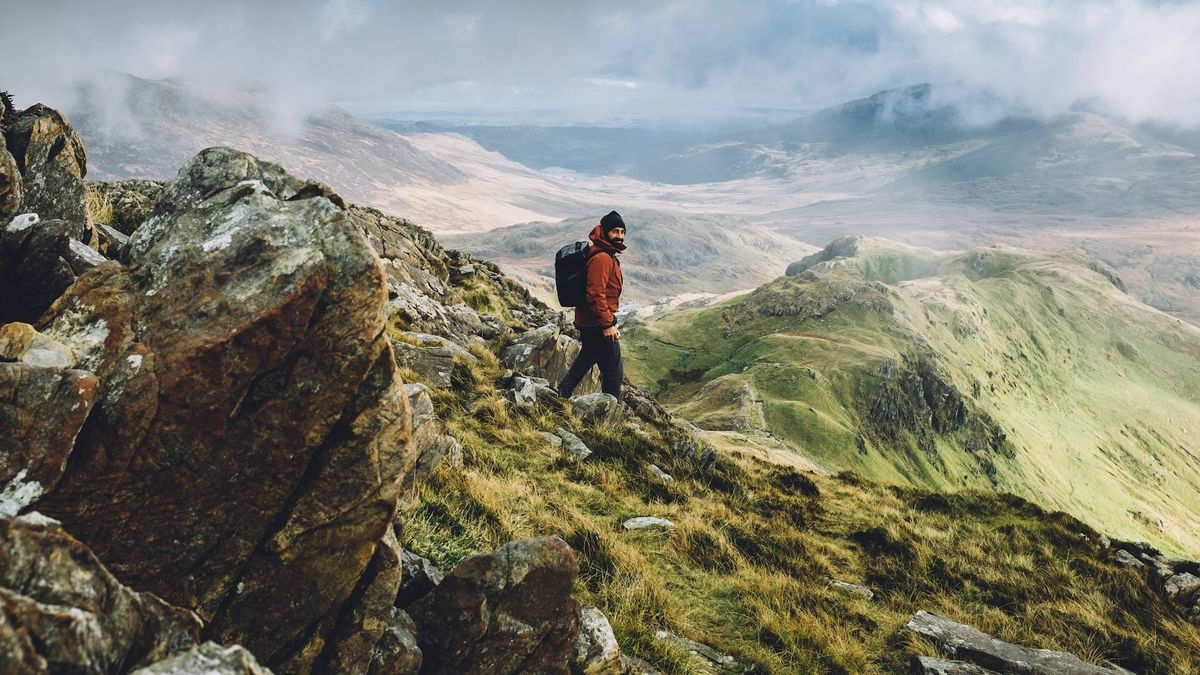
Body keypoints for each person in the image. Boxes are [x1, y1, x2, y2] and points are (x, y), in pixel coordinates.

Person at [558, 210, 626, 398]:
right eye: (615, 231)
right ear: (604, 232)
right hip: (597, 324)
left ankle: (562, 392)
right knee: (614, 372)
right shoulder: (602, 258)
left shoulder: (605, 254)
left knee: (587, 357)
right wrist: (607, 324)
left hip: (590, 321)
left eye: (622, 232)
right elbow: (595, 294)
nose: (619, 236)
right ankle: (606, 418)